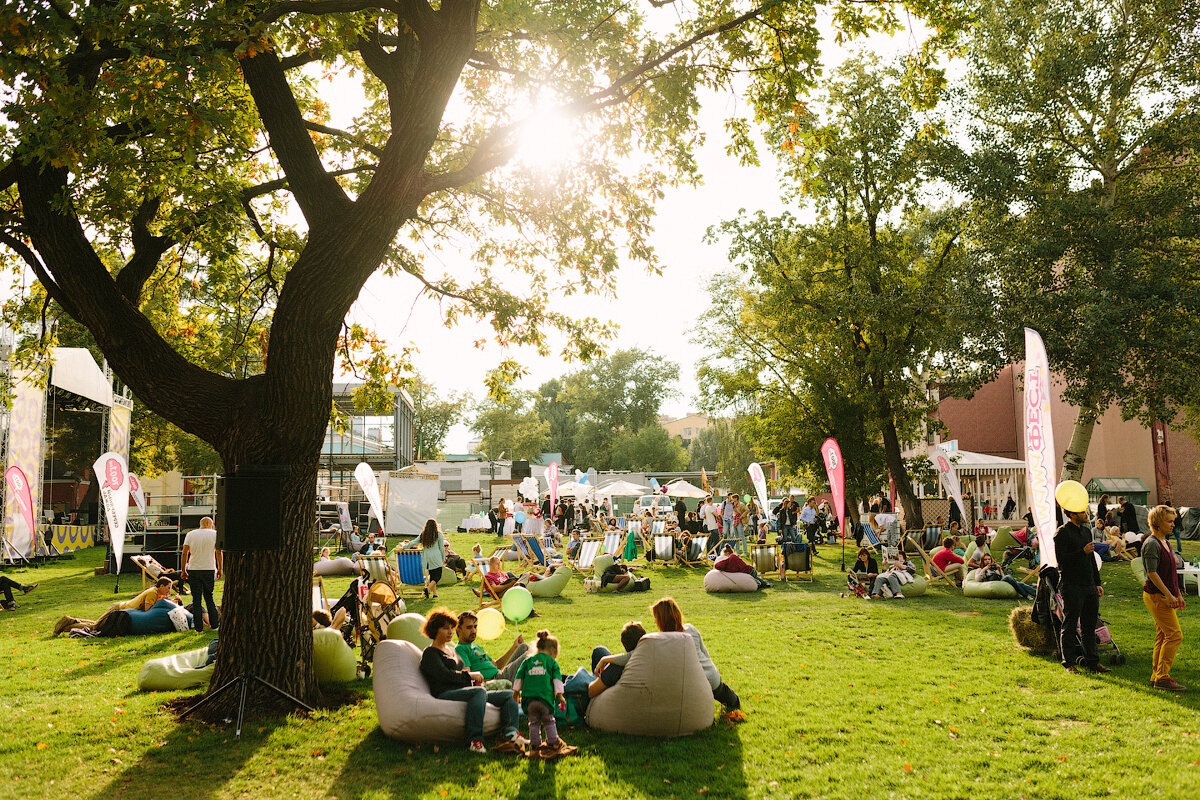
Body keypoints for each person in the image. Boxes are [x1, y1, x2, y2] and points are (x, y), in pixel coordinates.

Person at [418, 608, 526, 754]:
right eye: (445, 628)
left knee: (508, 694)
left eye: (451, 628)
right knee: (479, 692)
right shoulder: (430, 653)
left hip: (465, 689)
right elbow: (445, 675)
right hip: (445, 692)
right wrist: (470, 677)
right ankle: (474, 740)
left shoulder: (450, 651)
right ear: (434, 630)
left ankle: (510, 733)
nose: (450, 631)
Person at [650, 597, 742, 718]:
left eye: (656, 619)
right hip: (711, 678)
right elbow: (705, 653)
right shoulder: (690, 629)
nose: (655, 622)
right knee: (732, 701)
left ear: (662, 620)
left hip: (692, 685)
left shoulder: (664, 641)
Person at [1055, 484, 1109, 674]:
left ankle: (1092, 661)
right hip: (1071, 585)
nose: (1085, 512)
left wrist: (1097, 583)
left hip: (1088, 585)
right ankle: (1069, 663)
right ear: (1071, 513)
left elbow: (1092, 560)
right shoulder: (1062, 533)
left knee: (1089, 625)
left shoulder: (1087, 531)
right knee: (1070, 625)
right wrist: (1081, 551)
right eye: (1081, 510)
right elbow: (1061, 561)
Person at [512, 630, 577, 758]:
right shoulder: (551, 663)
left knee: (534, 722)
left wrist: (516, 692)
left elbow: (519, 678)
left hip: (529, 700)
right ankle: (553, 742)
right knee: (549, 721)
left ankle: (535, 745)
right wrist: (560, 696)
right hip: (545, 699)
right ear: (553, 651)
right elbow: (557, 681)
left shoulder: (527, 662)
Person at [1141, 506, 1186, 691]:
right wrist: (1168, 595)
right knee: (1174, 634)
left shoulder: (1165, 542)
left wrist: (1178, 594)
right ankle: (1162, 677)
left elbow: (1171, 572)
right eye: (1169, 521)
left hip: (1165, 595)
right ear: (1157, 524)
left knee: (1163, 635)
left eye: (1173, 520)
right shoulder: (1151, 543)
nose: (1173, 524)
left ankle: (1157, 676)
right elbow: (1152, 573)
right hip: (1156, 596)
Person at [53, 577, 172, 636]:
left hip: (121, 611)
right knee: (95, 627)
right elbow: (148, 611)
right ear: (161, 586)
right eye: (168, 588)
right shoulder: (153, 593)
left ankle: (72, 621)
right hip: (118, 609)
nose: (169, 590)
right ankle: (66, 623)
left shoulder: (158, 594)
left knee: (97, 624)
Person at [454, 609, 530, 687]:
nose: (473, 631)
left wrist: (514, 647)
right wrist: (488, 682)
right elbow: (467, 675)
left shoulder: (475, 646)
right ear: (459, 630)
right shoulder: (460, 649)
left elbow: (497, 665)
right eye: (469, 627)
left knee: (523, 647)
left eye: (475, 627)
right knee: (531, 653)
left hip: (500, 674)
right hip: (496, 679)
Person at [181, 516, 221, 631]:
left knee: (196, 600)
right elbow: (218, 552)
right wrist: (220, 568)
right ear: (209, 523)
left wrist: (183, 570)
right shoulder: (215, 534)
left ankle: (198, 628)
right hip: (209, 568)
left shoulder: (190, 534)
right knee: (209, 597)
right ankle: (214, 626)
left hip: (193, 568)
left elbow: (184, 553)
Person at [407, 518, 446, 599]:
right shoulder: (438, 534)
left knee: (432, 574)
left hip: (427, 557)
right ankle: (427, 589)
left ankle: (434, 593)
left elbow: (414, 542)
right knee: (438, 575)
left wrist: (404, 546)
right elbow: (441, 548)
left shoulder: (423, 534)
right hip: (436, 556)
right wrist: (443, 558)